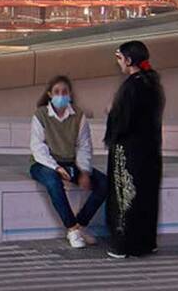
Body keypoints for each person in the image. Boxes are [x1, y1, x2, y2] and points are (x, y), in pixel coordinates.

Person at [29, 75, 108, 248]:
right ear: (50, 94)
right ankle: (72, 229)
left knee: (104, 183)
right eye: (57, 92)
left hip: (70, 162)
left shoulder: (78, 116)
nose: (61, 95)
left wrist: (84, 171)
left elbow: (84, 146)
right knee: (53, 181)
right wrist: (56, 167)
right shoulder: (41, 115)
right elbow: (38, 147)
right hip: (44, 164)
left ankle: (80, 225)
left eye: (64, 92)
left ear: (70, 94)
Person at [104, 40, 164, 259]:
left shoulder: (131, 86)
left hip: (129, 152)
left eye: (120, 58)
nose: (119, 63)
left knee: (125, 197)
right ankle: (145, 243)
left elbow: (123, 121)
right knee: (147, 196)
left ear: (129, 60)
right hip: (150, 151)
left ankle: (123, 245)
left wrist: (112, 111)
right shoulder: (153, 83)